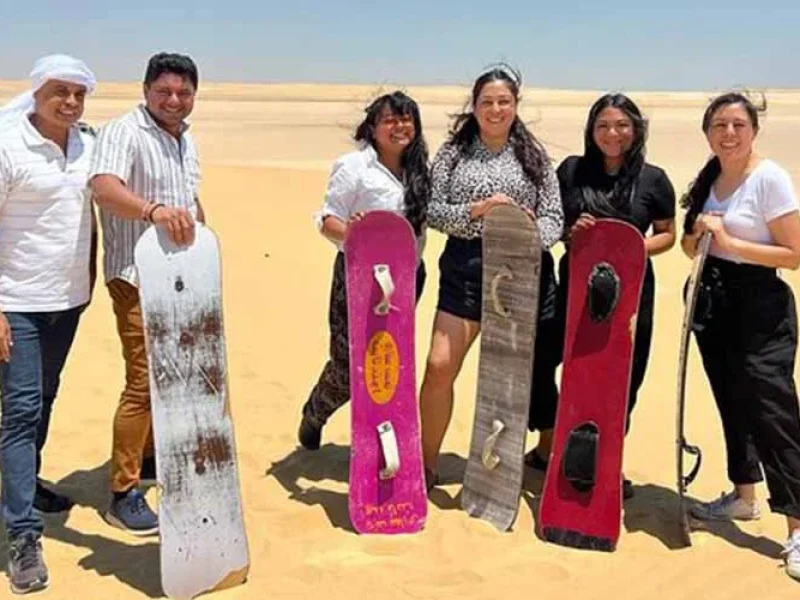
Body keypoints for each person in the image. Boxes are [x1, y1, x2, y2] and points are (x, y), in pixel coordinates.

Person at [523, 93, 676, 500]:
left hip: (630, 296)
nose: (613, 133)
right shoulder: (571, 171)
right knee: (540, 360)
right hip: (574, 289)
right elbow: (552, 223)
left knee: (623, 379)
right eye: (604, 125)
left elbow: (668, 233)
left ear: (636, 129)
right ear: (591, 130)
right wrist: (572, 233)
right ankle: (549, 440)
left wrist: (632, 248)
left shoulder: (653, 179)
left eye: (622, 125)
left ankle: (607, 460)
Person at [418, 65, 564, 489]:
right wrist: (476, 212)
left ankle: (499, 474)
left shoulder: (534, 156)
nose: (496, 109)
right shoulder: (453, 153)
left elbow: (555, 216)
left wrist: (530, 234)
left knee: (511, 380)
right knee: (439, 365)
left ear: (516, 106)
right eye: (487, 101)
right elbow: (431, 209)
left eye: (504, 101)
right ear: (475, 106)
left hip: (520, 273)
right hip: (465, 268)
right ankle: (427, 464)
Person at [680, 92, 800, 580]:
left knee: (773, 410)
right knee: (731, 399)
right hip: (714, 301)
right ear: (707, 132)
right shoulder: (712, 176)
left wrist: (729, 241)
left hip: (760, 306)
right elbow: (691, 242)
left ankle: (796, 526)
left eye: (737, 125)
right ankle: (743, 494)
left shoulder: (768, 179)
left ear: (753, 129)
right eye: (719, 126)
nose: (728, 134)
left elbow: (793, 255)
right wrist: (699, 239)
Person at [89, 52, 203, 535]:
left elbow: (189, 198)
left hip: (180, 273)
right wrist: (152, 211)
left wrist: (204, 240)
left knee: (172, 372)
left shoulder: (184, 138)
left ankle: (152, 458)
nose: (173, 100)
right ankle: (123, 491)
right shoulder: (124, 131)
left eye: (183, 92)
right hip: (135, 274)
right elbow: (103, 187)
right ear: (145, 90)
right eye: (164, 91)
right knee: (143, 379)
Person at [0, 53, 97, 595]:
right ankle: (22, 535)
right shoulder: (8, 145)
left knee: (46, 396)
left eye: (80, 93)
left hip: (68, 301)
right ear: (36, 92)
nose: (70, 102)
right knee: (20, 409)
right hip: (16, 301)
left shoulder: (88, 145)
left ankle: (23, 484)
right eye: (60, 91)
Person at [298, 91, 430, 449]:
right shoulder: (353, 167)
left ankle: (377, 445)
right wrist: (353, 233)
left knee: (386, 361)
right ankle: (316, 411)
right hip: (358, 278)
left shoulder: (420, 170)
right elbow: (327, 220)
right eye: (390, 119)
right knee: (348, 364)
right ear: (373, 127)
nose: (399, 126)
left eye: (406, 119)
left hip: (407, 279)